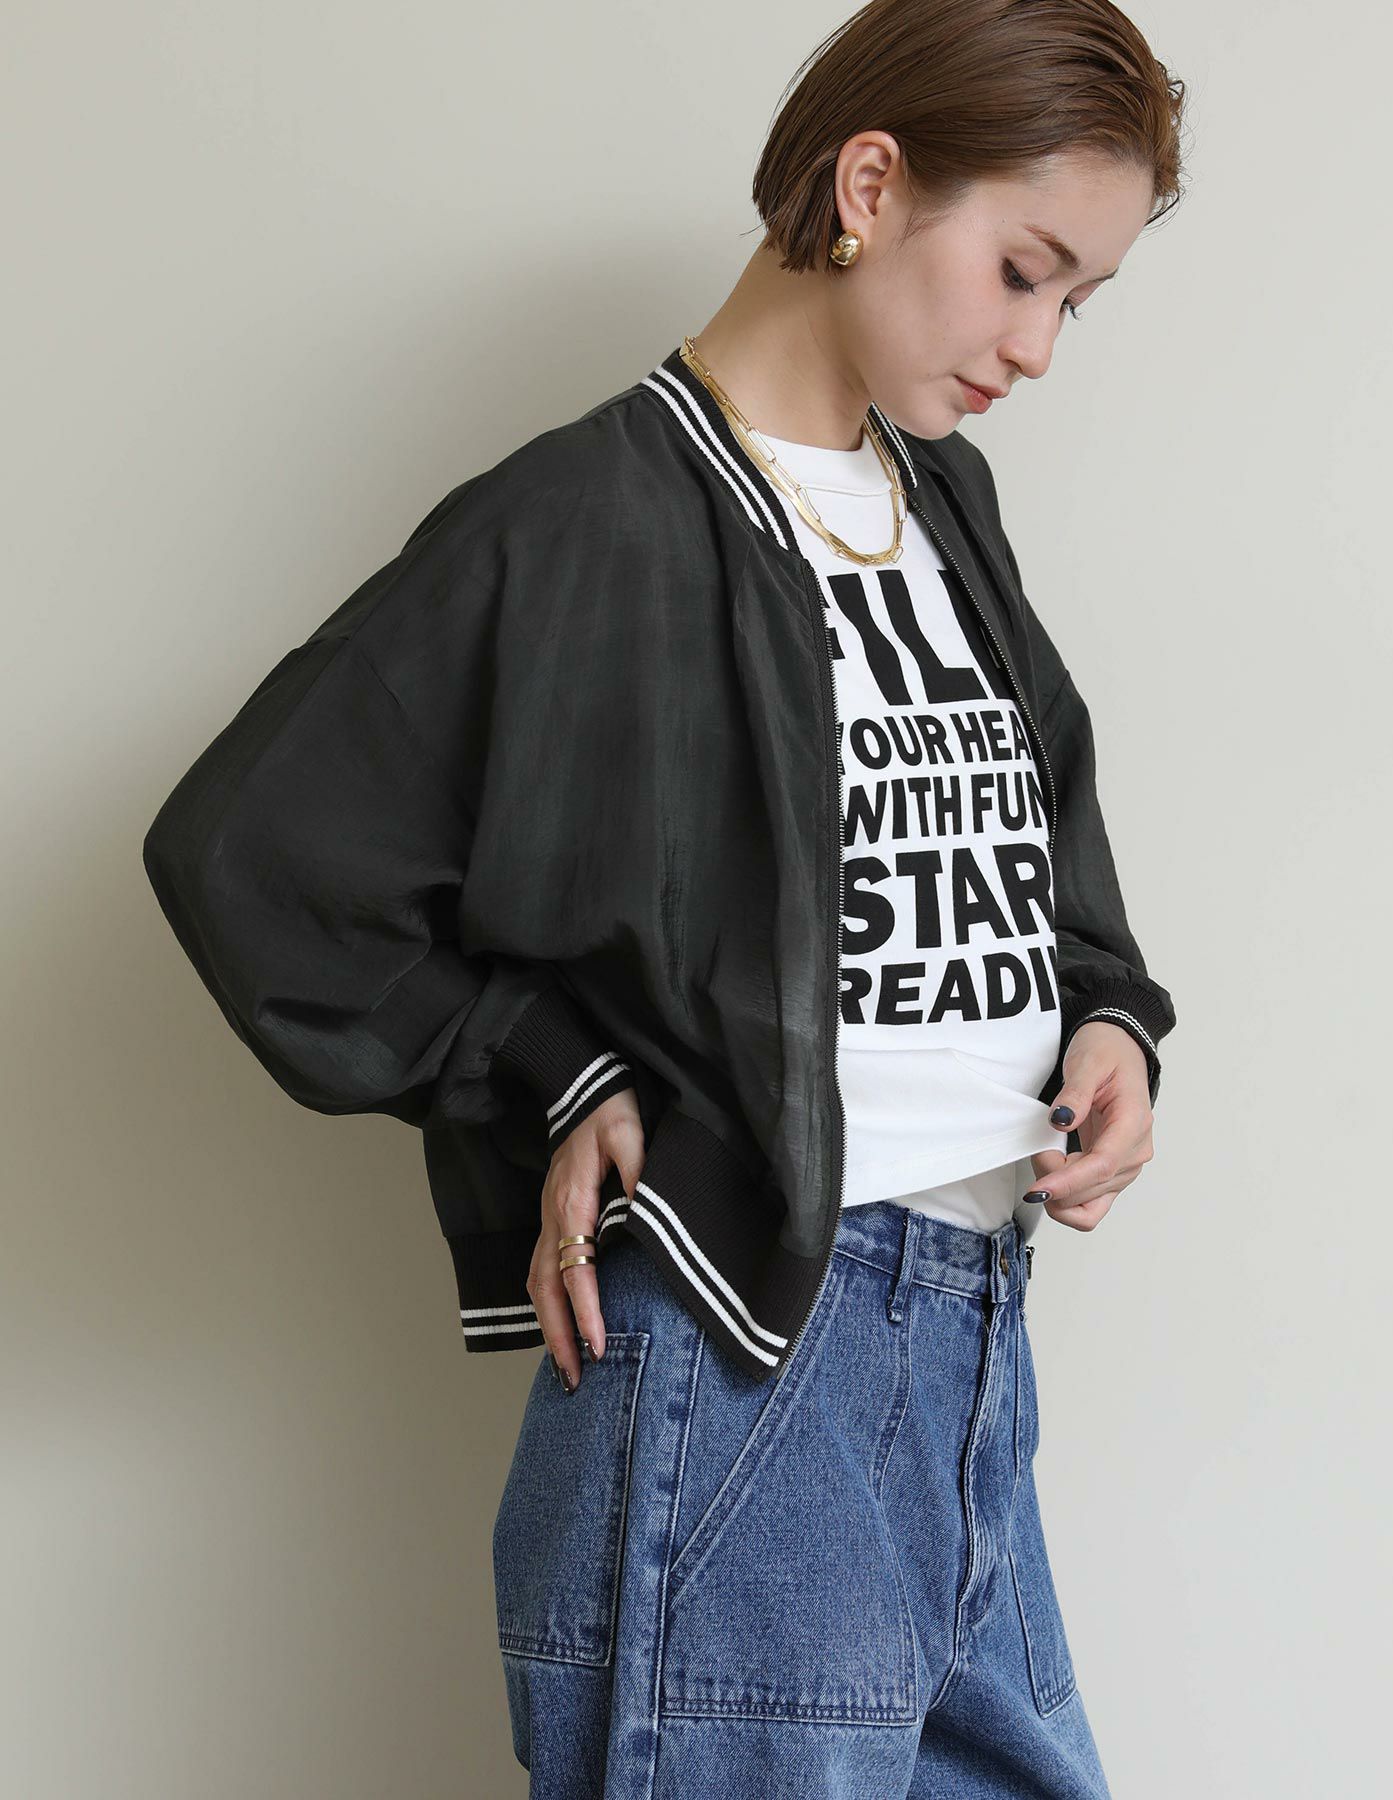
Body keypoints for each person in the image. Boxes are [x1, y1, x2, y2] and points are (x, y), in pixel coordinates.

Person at [141, 0, 1185, 1791]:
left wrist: (1110, 1025)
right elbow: (255, 858)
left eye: (1073, 302)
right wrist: (553, 1070)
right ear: (872, 185)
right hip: (748, 1362)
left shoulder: (946, 509)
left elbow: (1046, 842)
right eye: (1023, 271)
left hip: (972, 1351)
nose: (1037, 343)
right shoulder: (586, 519)